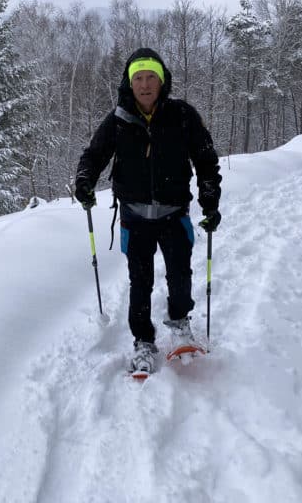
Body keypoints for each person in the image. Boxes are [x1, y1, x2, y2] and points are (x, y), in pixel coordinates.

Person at [75, 48, 222, 374]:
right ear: (130, 83)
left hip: (173, 213)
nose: (144, 84)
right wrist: (84, 179)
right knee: (139, 282)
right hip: (134, 216)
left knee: (180, 276)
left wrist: (209, 197)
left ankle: (181, 325)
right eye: (138, 78)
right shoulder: (118, 119)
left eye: (150, 77)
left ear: (161, 80)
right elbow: (94, 155)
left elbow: (206, 160)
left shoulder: (183, 115)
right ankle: (143, 342)